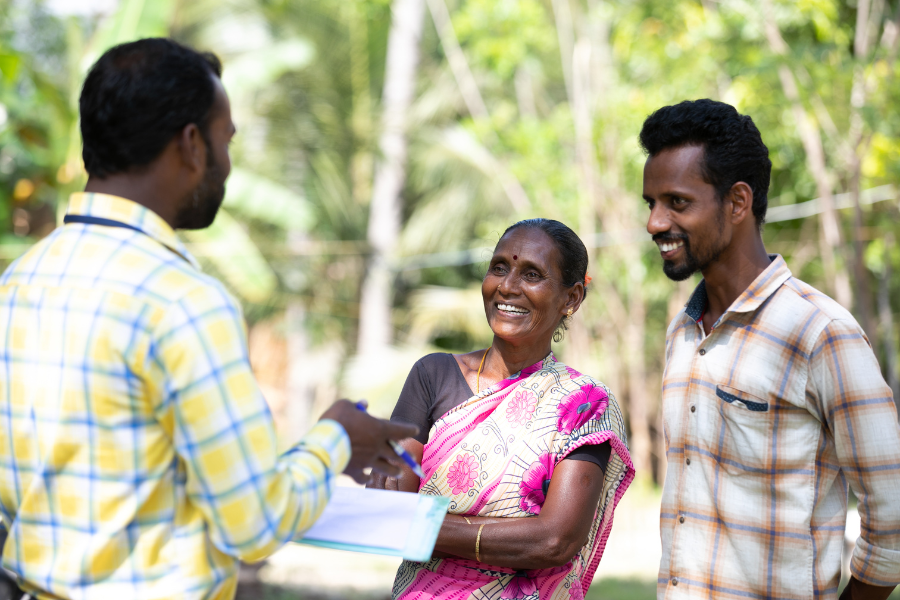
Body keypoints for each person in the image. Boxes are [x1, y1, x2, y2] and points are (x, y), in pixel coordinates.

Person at [0, 38, 416, 600]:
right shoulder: (182, 300)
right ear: (192, 144)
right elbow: (255, 525)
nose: (227, 162)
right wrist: (337, 436)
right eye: (227, 139)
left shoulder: (19, 282)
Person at [640, 99, 900, 600]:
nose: (654, 223)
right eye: (650, 203)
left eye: (676, 202)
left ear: (737, 203)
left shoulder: (821, 333)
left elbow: (892, 524)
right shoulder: (682, 332)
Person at [370, 219, 635, 600]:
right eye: (499, 268)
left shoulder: (584, 404)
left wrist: (422, 524)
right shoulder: (433, 375)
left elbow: (555, 540)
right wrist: (507, 534)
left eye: (532, 274)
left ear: (571, 298)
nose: (507, 286)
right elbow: (387, 514)